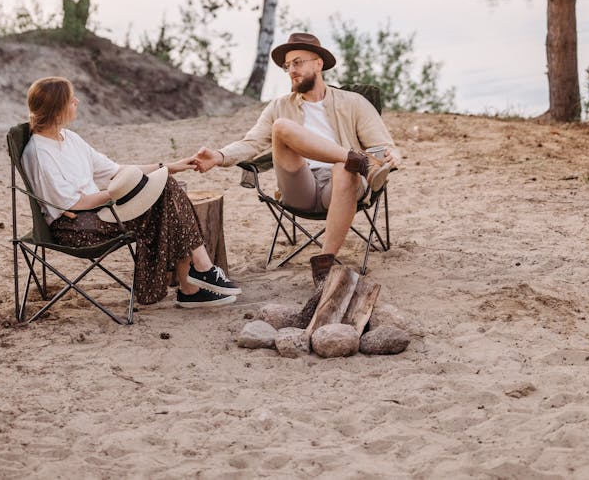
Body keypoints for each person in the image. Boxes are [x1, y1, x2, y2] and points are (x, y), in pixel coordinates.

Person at [192, 31, 401, 285]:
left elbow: (384, 146)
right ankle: (357, 160)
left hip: (341, 187)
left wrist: (392, 156)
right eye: (287, 65)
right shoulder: (279, 106)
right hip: (299, 185)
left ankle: (325, 261)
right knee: (281, 127)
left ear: (318, 63)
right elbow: (252, 142)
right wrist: (219, 156)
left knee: (344, 168)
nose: (291, 70)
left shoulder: (353, 102)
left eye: (298, 62)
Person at [22, 76, 241, 308]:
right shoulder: (38, 153)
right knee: (162, 204)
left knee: (165, 185)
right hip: (73, 227)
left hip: (96, 211)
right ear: (57, 110)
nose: (76, 101)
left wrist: (169, 166)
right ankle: (195, 280)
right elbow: (73, 204)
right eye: (70, 99)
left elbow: (116, 171)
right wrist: (121, 191)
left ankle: (195, 279)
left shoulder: (70, 138)